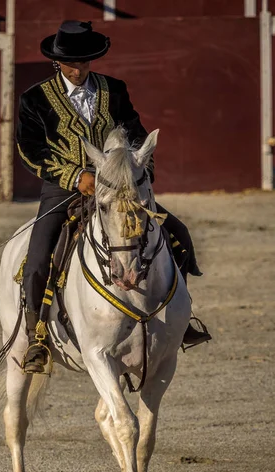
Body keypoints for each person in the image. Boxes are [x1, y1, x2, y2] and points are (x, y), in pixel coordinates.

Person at [16, 20, 210, 373]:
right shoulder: (34, 99)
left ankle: (182, 321)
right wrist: (75, 176)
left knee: (177, 233)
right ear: (57, 62)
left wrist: (137, 178)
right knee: (38, 254)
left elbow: (137, 137)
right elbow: (30, 150)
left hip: (120, 188)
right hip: (64, 189)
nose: (79, 70)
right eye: (72, 63)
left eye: (85, 62)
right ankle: (37, 336)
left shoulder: (114, 90)